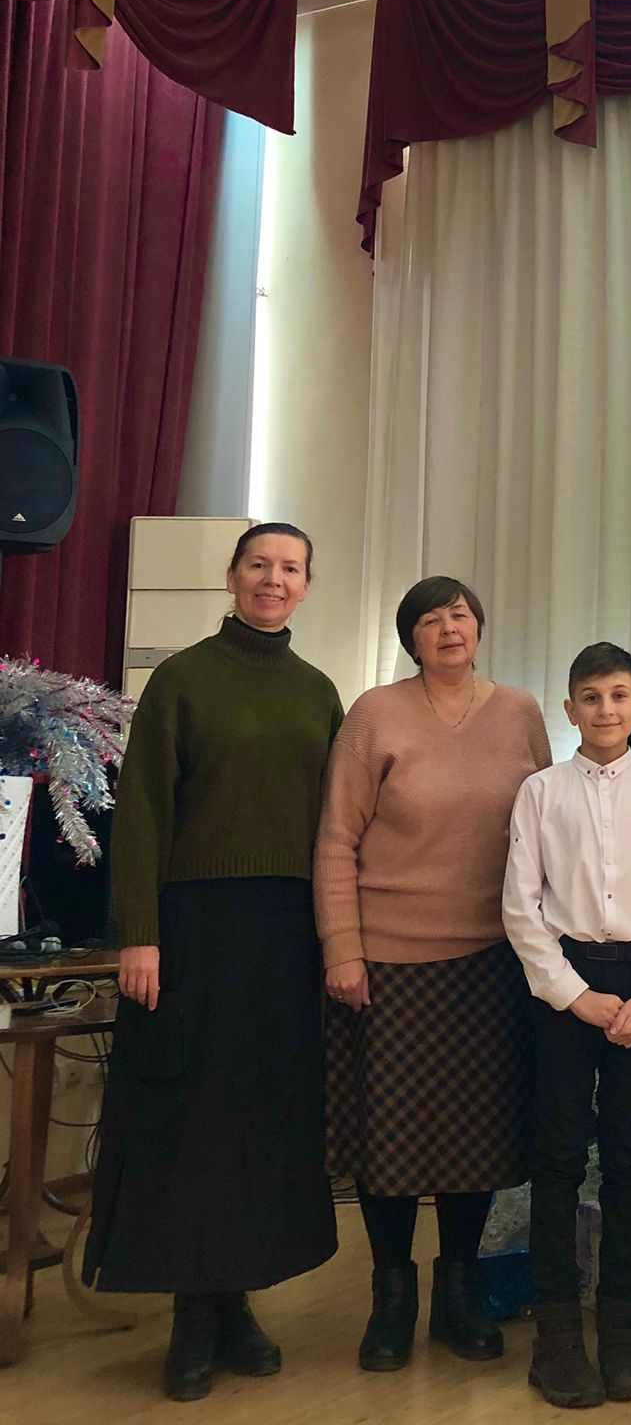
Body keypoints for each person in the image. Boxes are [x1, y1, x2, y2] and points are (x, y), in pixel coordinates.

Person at [85, 524, 342, 1403]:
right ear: (232, 577)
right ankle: (192, 1317)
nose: (274, 579)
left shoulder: (318, 692)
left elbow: (337, 825)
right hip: (193, 932)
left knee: (260, 1118)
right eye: (259, 565)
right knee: (188, 1119)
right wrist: (140, 932)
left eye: (290, 568)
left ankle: (236, 1301)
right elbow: (142, 813)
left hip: (287, 934)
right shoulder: (182, 680)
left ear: (306, 586)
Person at [313, 576, 551, 1373]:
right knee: (389, 1143)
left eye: (460, 615)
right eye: (430, 620)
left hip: (492, 960)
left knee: (473, 1142)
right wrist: (342, 947)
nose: (449, 628)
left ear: (479, 628)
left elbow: (548, 826)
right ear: (410, 638)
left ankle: (459, 1296)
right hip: (387, 959)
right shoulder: (375, 714)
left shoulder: (518, 712)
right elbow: (336, 839)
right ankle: (392, 1301)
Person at [503, 642, 631, 1408]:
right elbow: (522, 908)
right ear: (570, 708)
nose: (606, 709)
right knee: (556, 1157)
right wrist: (574, 994)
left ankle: (622, 1330)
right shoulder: (540, 792)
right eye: (591, 697)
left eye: (619, 696)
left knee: (630, 1157)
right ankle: (556, 1336)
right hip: (564, 989)